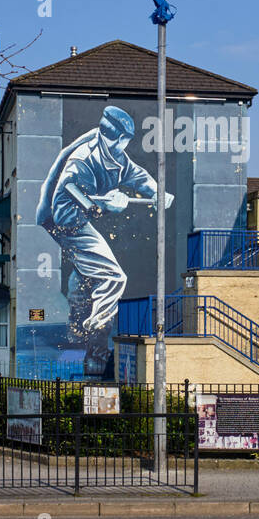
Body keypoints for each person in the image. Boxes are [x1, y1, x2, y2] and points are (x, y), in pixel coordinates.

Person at [36, 106, 173, 376]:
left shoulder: (113, 155)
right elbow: (67, 199)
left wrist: (157, 192)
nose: (111, 141)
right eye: (110, 135)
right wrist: (103, 204)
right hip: (64, 220)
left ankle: (77, 329)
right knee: (113, 277)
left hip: (69, 216)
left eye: (114, 137)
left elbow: (136, 175)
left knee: (86, 274)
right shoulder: (83, 158)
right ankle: (95, 333)